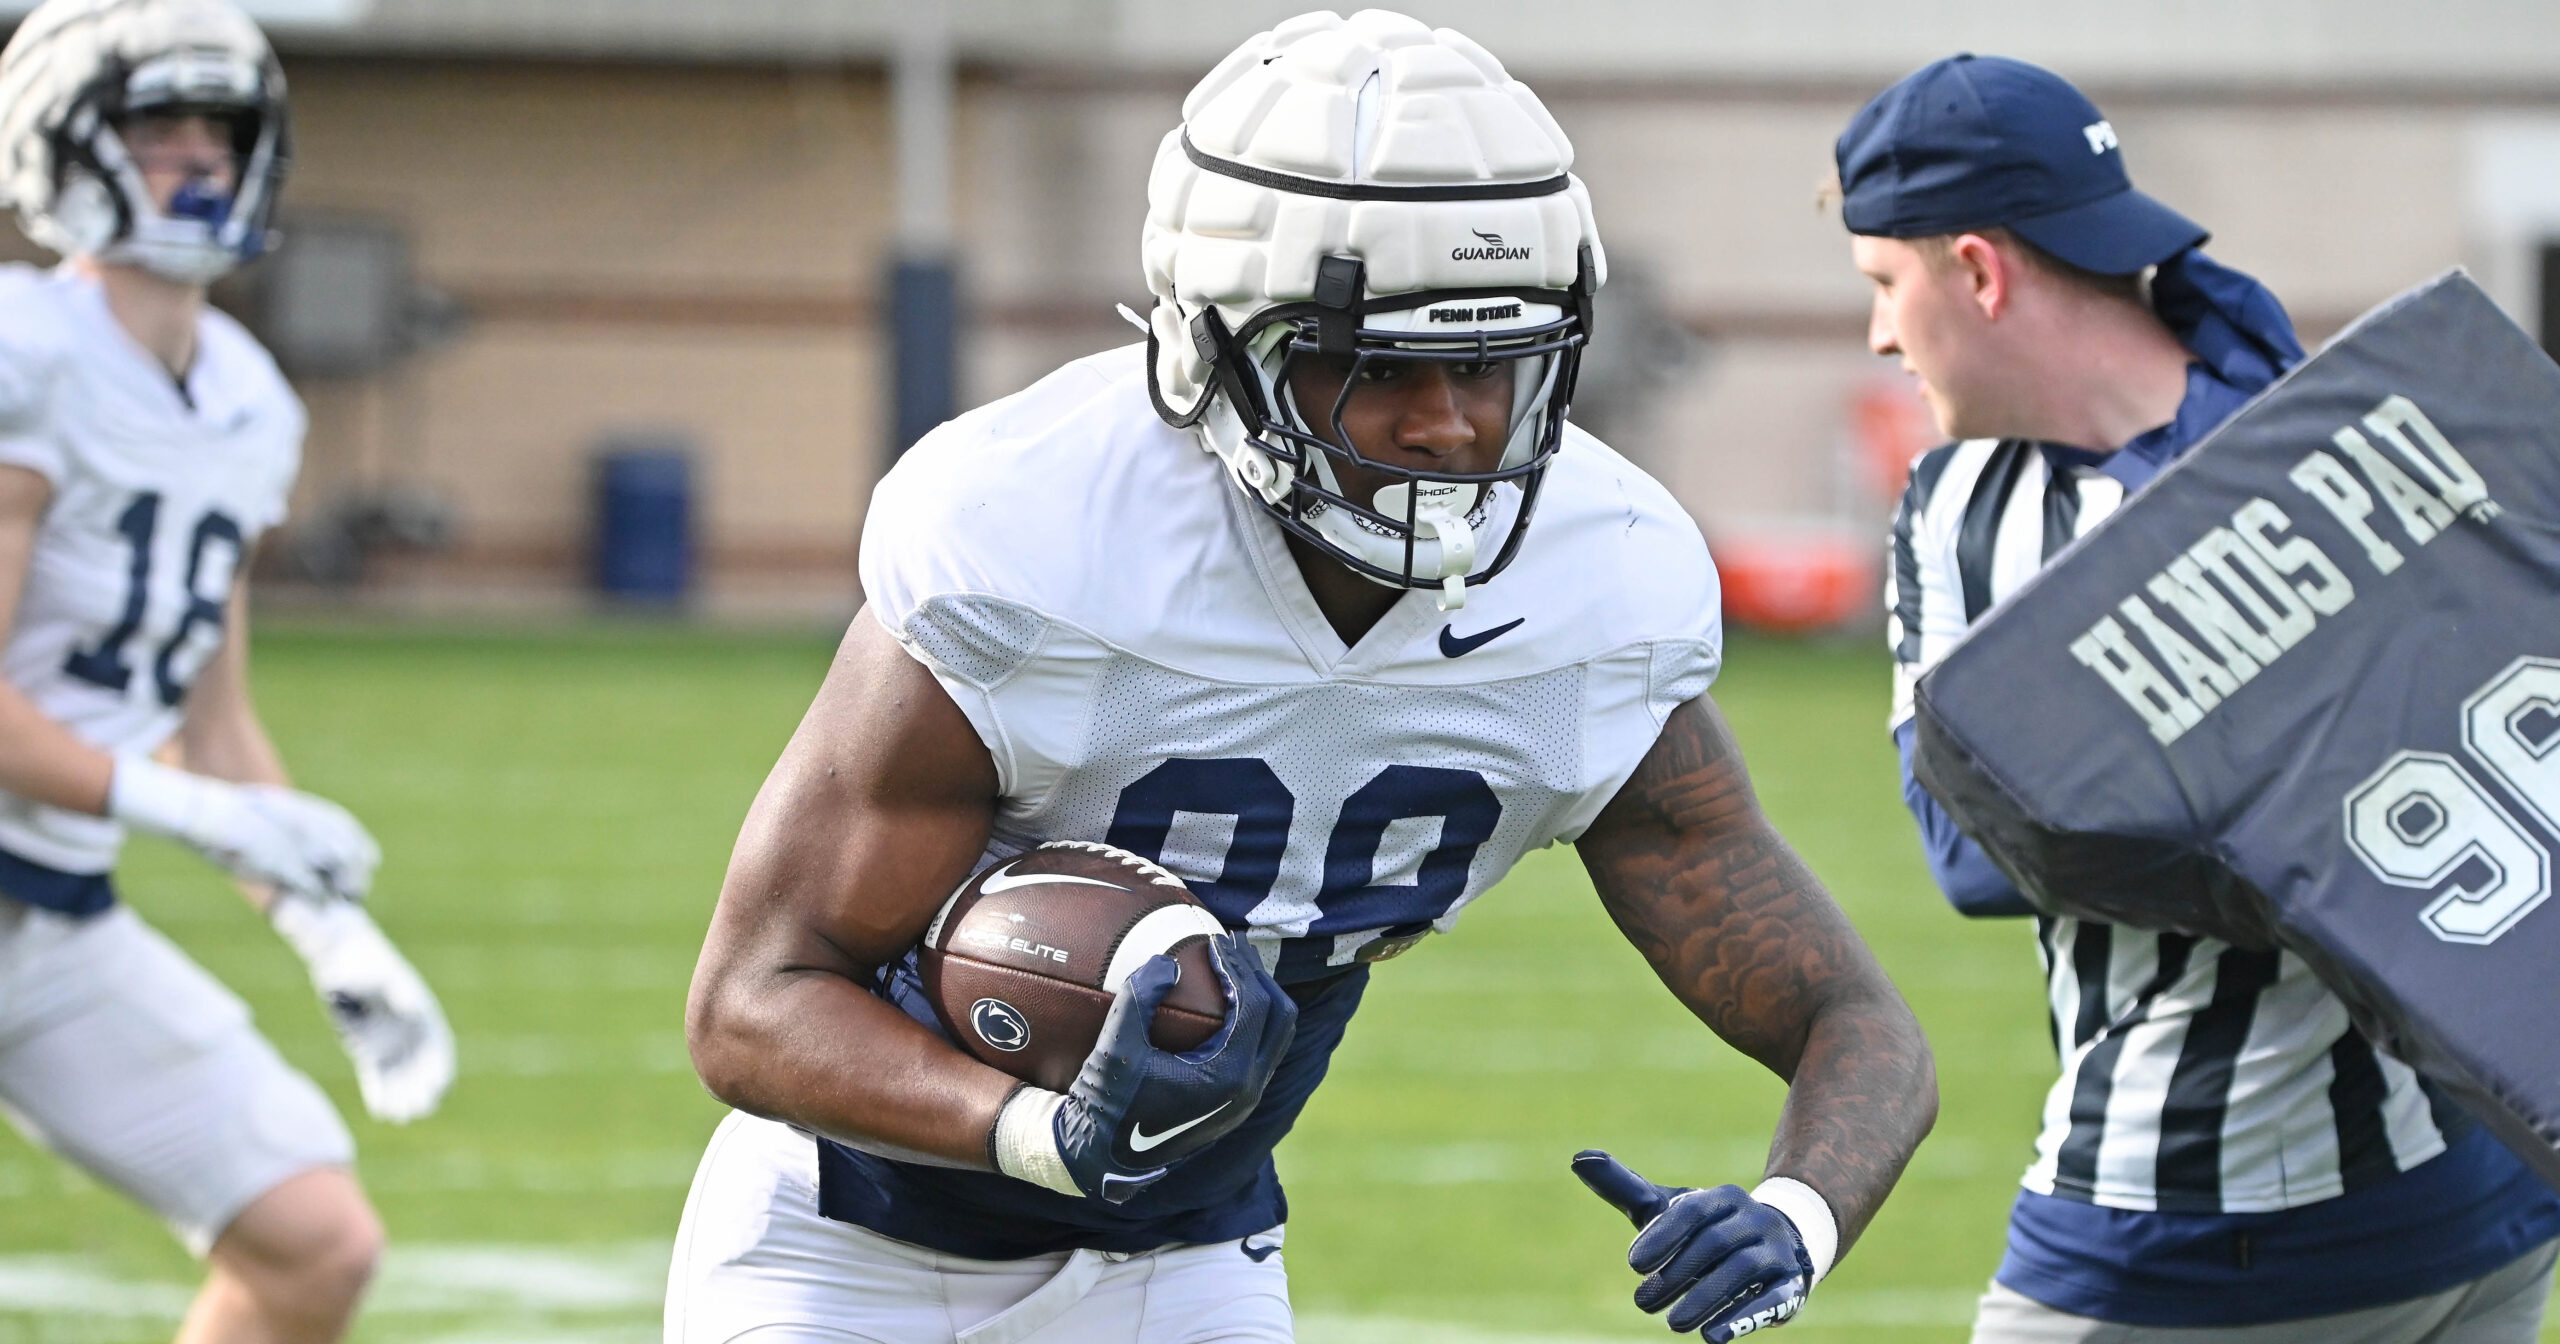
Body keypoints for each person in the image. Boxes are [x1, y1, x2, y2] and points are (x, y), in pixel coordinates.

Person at [670, 9, 1935, 1343]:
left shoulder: (1593, 598)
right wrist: (1040, 1133)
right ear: (1217, 347)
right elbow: (751, 1006)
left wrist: (1797, 1213)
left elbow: (1854, 1020)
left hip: (1188, 1255)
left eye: (1490, 363)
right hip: (844, 1246)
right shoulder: (1041, 540)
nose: (1447, 424)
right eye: (1378, 364)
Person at [1849, 53, 2560, 1344]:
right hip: (2487, 1178)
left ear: (1978, 270)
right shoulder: (2340, 425)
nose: (1881, 336)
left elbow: (1986, 840)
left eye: (1885, 285)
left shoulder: (2294, 437)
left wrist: (2236, 803)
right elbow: (1967, 846)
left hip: (2194, 1218)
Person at [0, 1, 454, 1340]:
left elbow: (214, 721)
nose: (198, 157)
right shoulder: (28, 349)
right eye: (158, 126)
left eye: (222, 126)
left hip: (50, 909)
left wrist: (329, 930)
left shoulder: (251, 396)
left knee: (315, 1242)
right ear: (64, 143)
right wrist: (177, 810)